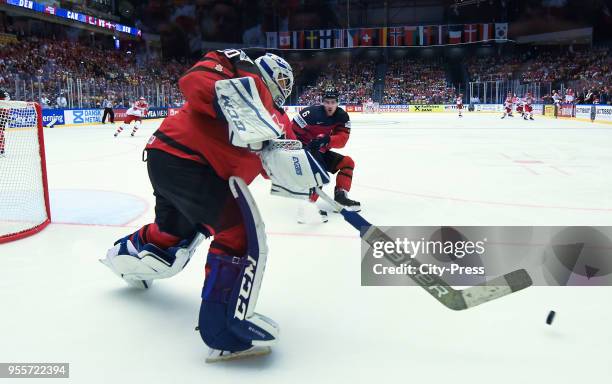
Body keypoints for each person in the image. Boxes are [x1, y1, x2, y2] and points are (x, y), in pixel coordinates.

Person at [100, 50, 327, 362]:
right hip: (189, 160)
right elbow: (195, 81)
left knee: (172, 241)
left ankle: (121, 257)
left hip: (181, 164)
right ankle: (223, 331)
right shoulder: (242, 69)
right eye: (283, 78)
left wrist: (310, 185)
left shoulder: (281, 121)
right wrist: (238, 107)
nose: (285, 86)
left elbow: (285, 164)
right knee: (239, 237)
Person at [291, 88, 360, 224]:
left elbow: (343, 139)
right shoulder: (309, 113)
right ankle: (306, 209)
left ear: (337, 103)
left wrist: (327, 140)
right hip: (303, 151)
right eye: (327, 102)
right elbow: (291, 132)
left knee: (347, 163)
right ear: (322, 102)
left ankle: (341, 197)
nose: (329, 105)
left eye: (333, 102)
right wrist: (300, 149)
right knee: (319, 172)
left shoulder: (342, 116)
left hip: (320, 151)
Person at [0, 88, 9, 157]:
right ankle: (2, 151)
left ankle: (2, 151)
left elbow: (7, 100)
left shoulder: (2, 92)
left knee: (1, 133)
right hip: (3, 114)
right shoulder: (3, 91)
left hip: (2, 114)